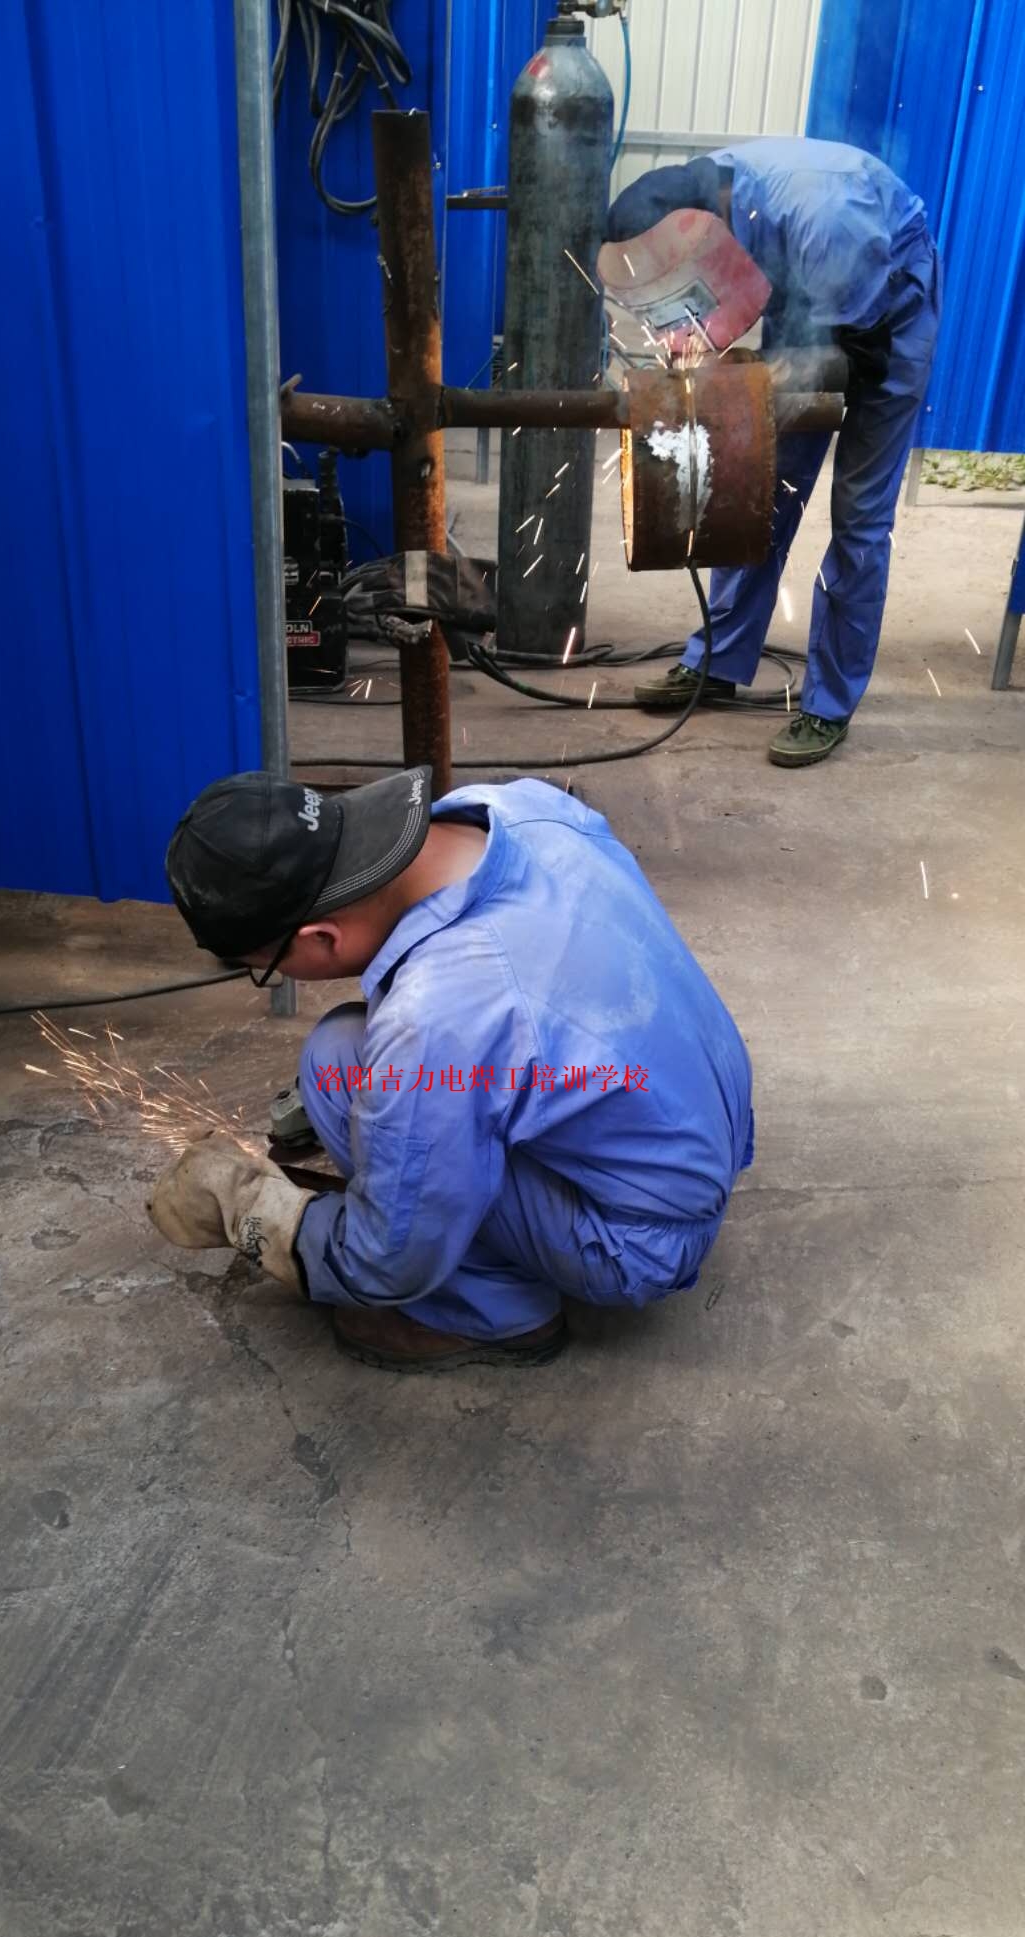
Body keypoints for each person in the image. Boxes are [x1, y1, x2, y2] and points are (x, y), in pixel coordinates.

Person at [148, 766, 754, 1372]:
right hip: (702, 1132)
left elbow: (387, 1260)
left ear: (322, 936)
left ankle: (491, 1312)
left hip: (637, 1243)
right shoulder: (514, 807)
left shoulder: (434, 1015)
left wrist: (250, 1209)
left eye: (268, 966)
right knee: (362, 1068)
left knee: (335, 1064)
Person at [604, 138, 941, 767]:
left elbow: (862, 358)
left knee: (859, 517)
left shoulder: (824, 217)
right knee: (765, 484)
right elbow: (724, 310)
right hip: (815, 291)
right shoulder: (717, 189)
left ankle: (828, 704)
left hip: (889, 315)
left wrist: (786, 374)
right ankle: (719, 660)